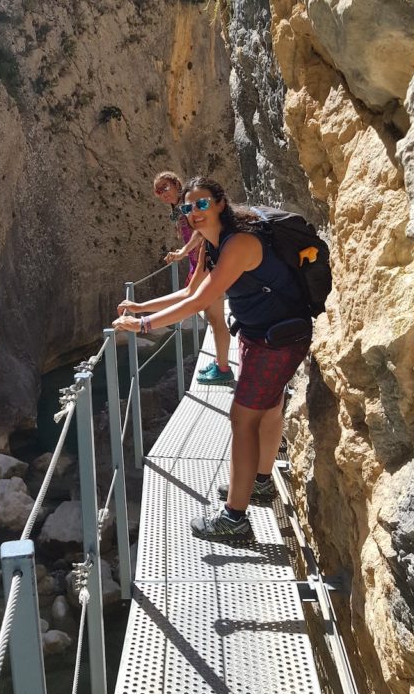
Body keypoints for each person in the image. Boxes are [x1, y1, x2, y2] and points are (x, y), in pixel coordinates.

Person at [113, 177, 312, 541]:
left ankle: (235, 519)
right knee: (268, 409)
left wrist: (143, 326)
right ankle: (261, 483)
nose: (194, 213)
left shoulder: (239, 244)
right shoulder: (213, 243)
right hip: (261, 333)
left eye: (202, 204)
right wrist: (142, 305)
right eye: (188, 208)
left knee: (242, 419)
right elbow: (191, 290)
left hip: (279, 339)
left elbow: (198, 303)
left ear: (221, 203)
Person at [152, 170, 233, 385]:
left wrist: (181, 253)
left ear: (176, 184)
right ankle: (221, 362)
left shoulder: (188, 205)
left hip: (205, 263)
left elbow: (200, 232)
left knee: (214, 318)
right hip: (199, 263)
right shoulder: (179, 208)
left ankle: (223, 367)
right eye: (158, 191)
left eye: (165, 187)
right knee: (213, 318)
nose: (162, 193)